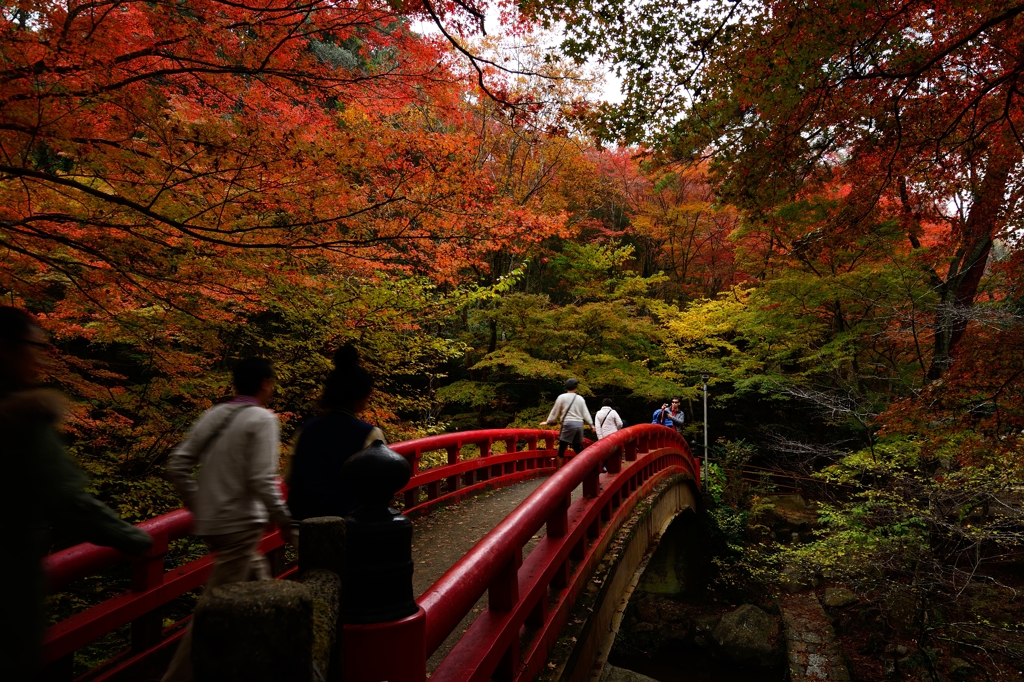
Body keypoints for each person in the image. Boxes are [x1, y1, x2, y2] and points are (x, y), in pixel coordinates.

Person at [0, 307, 153, 679]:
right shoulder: (20, 420)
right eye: (32, 346)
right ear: (6, 348)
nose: (39, 357)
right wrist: (136, 539)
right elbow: (68, 501)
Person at [163, 357, 294, 682]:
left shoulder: (216, 414)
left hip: (215, 526)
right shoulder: (261, 419)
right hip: (240, 526)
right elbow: (263, 479)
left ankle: (282, 659)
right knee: (211, 611)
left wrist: (200, 505)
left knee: (259, 588)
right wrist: (286, 522)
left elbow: (177, 464)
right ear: (265, 383)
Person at [287, 345, 386, 520]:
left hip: (303, 524)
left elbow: (290, 478)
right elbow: (379, 486)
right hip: (347, 526)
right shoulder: (369, 434)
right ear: (360, 395)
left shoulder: (306, 429)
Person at [539, 378, 593, 468]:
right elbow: (585, 413)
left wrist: (548, 421)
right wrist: (591, 424)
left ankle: (558, 471)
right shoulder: (580, 399)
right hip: (579, 425)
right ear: (576, 388)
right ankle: (586, 467)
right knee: (577, 447)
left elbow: (555, 411)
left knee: (562, 448)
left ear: (566, 387)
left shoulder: (562, 397)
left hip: (568, 424)